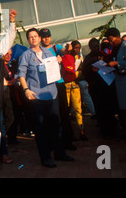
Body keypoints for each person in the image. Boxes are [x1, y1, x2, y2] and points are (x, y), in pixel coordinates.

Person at [18, 28, 74, 168]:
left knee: (56, 125)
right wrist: (26, 90)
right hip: (37, 96)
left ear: (39, 38)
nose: (33, 39)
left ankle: (60, 153)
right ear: (28, 40)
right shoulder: (26, 55)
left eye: (35, 36)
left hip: (51, 93)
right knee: (41, 128)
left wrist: (58, 61)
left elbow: (55, 69)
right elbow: (21, 74)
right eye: (30, 37)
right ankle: (45, 157)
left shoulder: (49, 52)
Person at [39, 28, 76, 150]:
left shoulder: (56, 48)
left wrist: (67, 49)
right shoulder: (38, 51)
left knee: (64, 113)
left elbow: (65, 51)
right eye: (44, 36)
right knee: (50, 115)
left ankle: (68, 141)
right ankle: (54, 142)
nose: (46, 38)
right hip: (47, 86)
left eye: (48, 36)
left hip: (59, 84)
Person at [105, 27, 126, 139]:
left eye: (112, 40)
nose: (110, 43)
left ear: (118, 37)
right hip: (120, 79)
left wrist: (116, 63)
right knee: (123, 106)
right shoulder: (115, 48)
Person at [83, 38, 118, 137]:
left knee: (110, 109)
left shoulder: (104, 55)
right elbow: (85, 71)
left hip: (107, 86)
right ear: (90, 47)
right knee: (100, 109)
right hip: (96, 88)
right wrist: (91, 70)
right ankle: (104, 131)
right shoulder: (88, 58)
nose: (96, 48)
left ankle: (113, 129)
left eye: (97, 46)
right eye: (93, 46)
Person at [62, 40, 87, 140]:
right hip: (66, 84)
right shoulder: (66, 56)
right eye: (75, 48)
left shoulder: (78, 58)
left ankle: (81, 130)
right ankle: (69, 133)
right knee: (66, 109)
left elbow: (82, 70)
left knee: (78, 108)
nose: (77, 50)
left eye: (79, 48)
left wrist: (77, 73)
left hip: (75, 84)